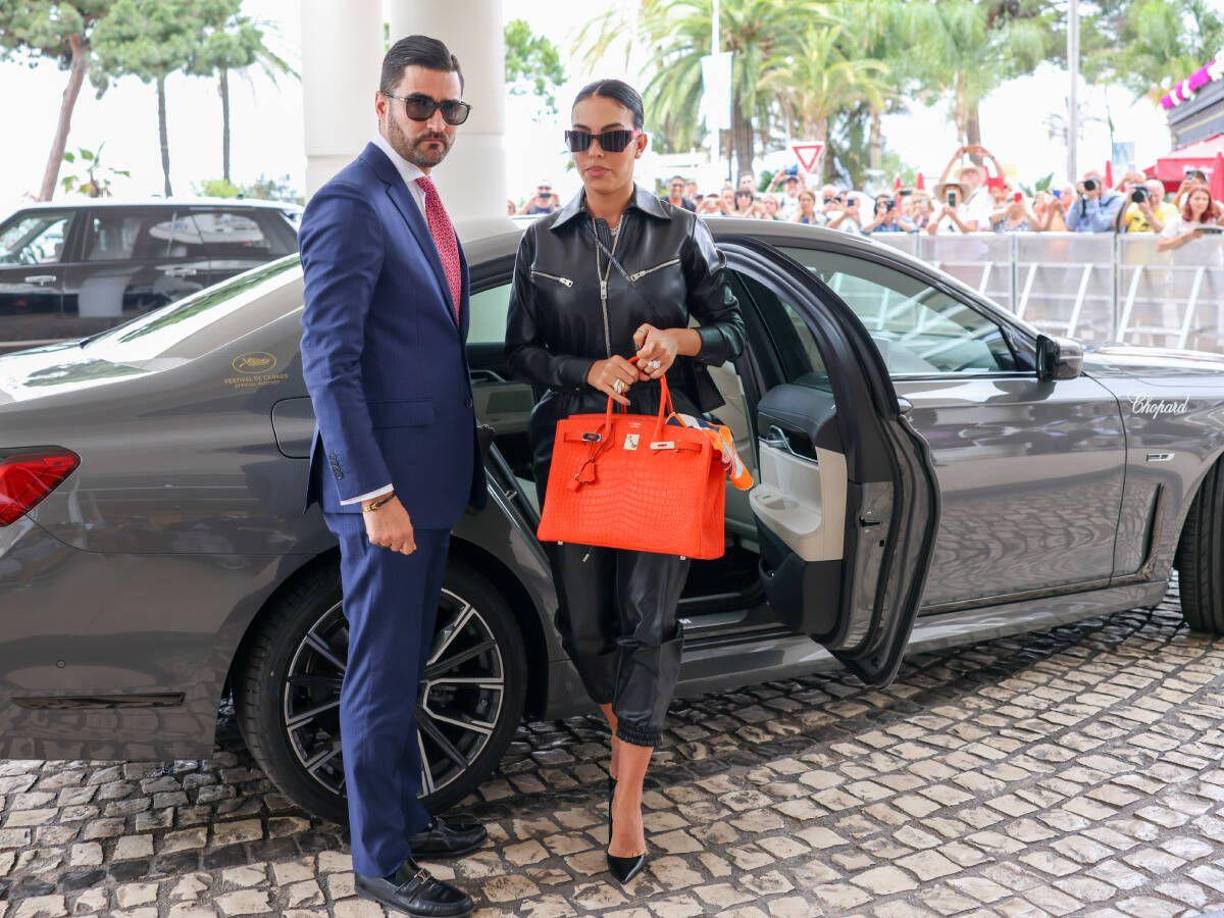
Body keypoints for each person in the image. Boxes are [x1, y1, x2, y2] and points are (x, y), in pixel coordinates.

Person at [504, 78, 745, 886]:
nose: (594, 154)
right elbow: (522, 352)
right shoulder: (542, 241)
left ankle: (629, 797)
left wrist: (678, 340)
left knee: (648, 617)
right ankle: (630, 736)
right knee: (583, 628)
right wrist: (586, 367)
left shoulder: (681, 232)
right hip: (578, 450)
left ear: (641, 142)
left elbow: (733, 331)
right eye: (580, 139)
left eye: (611, 138)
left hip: (665, 450)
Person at [298, 35, 486, 917]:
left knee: (407, 662)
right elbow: (328, 365)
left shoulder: (416, 197)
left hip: (429, 481)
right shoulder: (350, 202)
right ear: (382, 105)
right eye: (421, 105)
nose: (437, 122)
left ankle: (409, 813)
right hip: (387, 495)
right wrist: (374, 495)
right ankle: (379, 858)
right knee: (378, 672)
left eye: (452, 108)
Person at [1158, 184, 1223, 252]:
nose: (1200, 202)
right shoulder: (1178, 221)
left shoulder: (1214, 220)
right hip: (1184, 262)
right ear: (1189, 200)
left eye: (1205, 199)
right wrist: (1186, 237)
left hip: (1212, 262)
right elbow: (1161, 246)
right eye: (1197, 199)